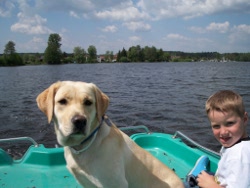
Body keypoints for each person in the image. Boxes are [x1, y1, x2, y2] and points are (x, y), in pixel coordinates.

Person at [196, 90, 250, 188]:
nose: (223, 132)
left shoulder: (238, 156)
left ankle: (194, 176)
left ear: (244, 119)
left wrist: (210, 185)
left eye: (229, 123)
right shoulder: (239, 144)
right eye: (216, 126)